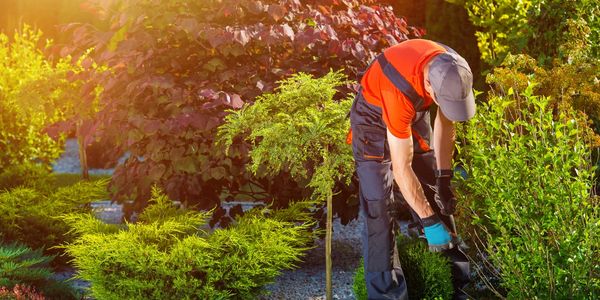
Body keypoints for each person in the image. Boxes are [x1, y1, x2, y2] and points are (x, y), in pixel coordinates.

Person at [349, 38, 474, 299]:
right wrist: (428, 221)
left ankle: (455, 287)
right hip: (373, 119)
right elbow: (401, 168)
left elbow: (446, 125)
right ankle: (388, 295)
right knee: (379, 209)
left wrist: (443, 178)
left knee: (433, 194)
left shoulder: (453, 69)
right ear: (429, 85)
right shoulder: (398, 91)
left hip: (412, 113)